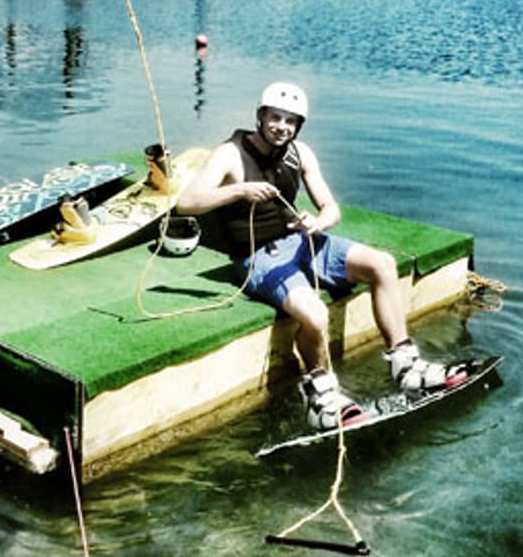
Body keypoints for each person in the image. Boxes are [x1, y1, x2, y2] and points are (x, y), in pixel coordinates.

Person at [176, 82, 470, 430]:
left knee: (383, 265)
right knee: (315, 314)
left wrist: (317, 222)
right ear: (260, 116)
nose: (282, 127)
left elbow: (331, 208)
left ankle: (404, 365)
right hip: (260, 256)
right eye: (275, 118)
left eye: (291, 121)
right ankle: (322, 395)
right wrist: (239, 190)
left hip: (303, 242)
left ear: (298, 126)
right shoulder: (230, 153)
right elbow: (186, 202)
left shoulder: (300, 153)